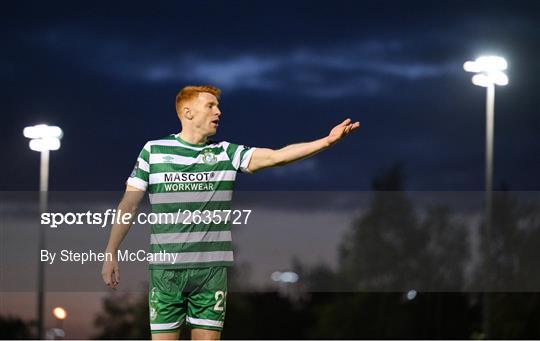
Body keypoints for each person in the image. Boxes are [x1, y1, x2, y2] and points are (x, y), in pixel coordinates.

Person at [101, 85, 360, 340]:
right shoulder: (154, 151)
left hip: (210, 272)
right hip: (166, 272)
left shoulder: (226, 153)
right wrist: (111, 251)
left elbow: (276, 157)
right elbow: (129, 204)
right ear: (188, 112)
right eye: (210, 106)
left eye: (218, 106)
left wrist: (326, 141)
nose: (219, 112)